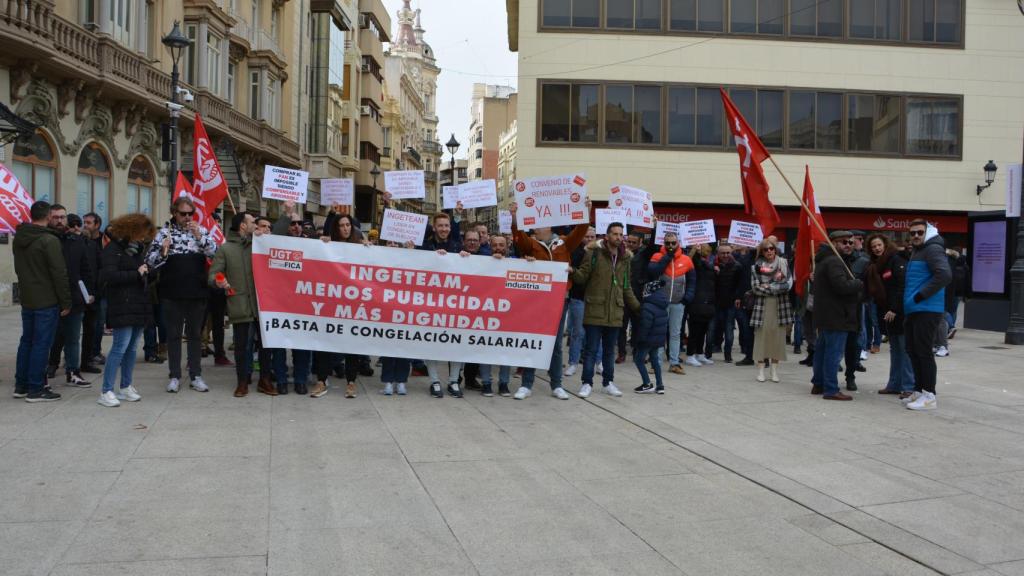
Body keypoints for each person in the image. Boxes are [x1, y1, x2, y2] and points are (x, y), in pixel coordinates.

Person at [509, 201, 590, 400]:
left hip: (559, 299)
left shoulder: (563, 243)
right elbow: (519, 239)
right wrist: (515, 217)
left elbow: (580, 232)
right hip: (536, 300)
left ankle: (556, 385)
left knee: (554, 344)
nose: (537, 225)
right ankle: (526, 384)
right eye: (534, 222)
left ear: (550, 225)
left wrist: (586, 211)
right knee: (533, 339)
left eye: (541, 222)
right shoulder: (531, 243)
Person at [146, 196, 218, 393]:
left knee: (195, 335)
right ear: (174, 213)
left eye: (190, 213)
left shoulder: (200, 231)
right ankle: (174, 375)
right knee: (174, 336)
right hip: (172, 293)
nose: (187, 217)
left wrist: (199, 237)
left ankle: (195, 375)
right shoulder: (164, 233)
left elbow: (215, 254)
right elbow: (150, 262)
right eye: (183, 213)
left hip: (196, 293)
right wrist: (163, 250)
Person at [210, 212, 276, 397]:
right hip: (239, 304)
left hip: (262, 304)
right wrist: (219, 281)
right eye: (253, 222)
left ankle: (265, 380)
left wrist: (287, 215)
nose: (256, 225)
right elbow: (214, 274)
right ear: (242, 226)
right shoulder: (225, 249)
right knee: (241, 347)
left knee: (266, 345)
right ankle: (242, 382)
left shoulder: (259, 244)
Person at [572, 221, 641, 398]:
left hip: (615, 311)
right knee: (591, 349)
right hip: (595, 308)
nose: (618, 237)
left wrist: (637, 307)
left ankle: (608, 382)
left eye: (620, 234)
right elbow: (582, 277)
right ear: (607, 236)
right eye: (615, 234)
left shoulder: (625, 258)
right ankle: (586, 383)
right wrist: (572, 271)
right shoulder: (594, 253)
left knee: (610, 351)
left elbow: (626, 286)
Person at [14, 201, 71, 402]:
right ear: (48, 216)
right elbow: (59, 273)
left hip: (28, 298)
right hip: (46, 299)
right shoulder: (49, 240)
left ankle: (21, 385)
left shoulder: (20, 237)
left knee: (27, 342)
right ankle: (36, 388)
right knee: (41, 344)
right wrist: (65, 302)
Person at [96, 214, 156, 407]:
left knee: (131, 347)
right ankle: (106, 390)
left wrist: (150, 271)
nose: (143, 238)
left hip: (138, 304)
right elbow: (109, 276)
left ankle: (125, 385)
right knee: (119, 347)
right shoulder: (112, 250)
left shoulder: (136, 250)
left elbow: (143, 274)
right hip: (122, 304)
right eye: (141, 234)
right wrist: (136, 274)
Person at [312, 212, 367, 399]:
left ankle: (351, 382)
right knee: (326, 343)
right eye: (342, 225)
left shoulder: (359, 247)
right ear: (336, 227)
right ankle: (321, 380)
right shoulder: (327, 245)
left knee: (352, 344)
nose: (345, 228)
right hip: (331, 302)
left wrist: (369, 249)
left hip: (352, 304)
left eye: (348, 225)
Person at [902, 220, 952, 411]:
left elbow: (945, 275)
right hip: (915, 308)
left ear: (927, 232)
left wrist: (921, 295)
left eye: (919, 232)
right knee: (913, 350)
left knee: (923, 352)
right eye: (912, 233)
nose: (915, 236)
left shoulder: (932, 249)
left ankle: (929, 395)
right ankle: (919, 390)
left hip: (927, 309)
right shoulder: (919, 250)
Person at [810, 231, 863, 401]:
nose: (848, 244)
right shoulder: (834, 261)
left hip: (827, 314)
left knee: (823, 351)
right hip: (837, 315)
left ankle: (818, 383)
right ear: (833, 243)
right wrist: (858, 283)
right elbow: (841, 286)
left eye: (850, 242)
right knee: (833, 353)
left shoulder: (826, 259)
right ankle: (831, 389)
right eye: (843, 242)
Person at [45, 207, 94, 388]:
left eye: (62, 217)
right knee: (49, 337)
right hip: (50, 299)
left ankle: (73, 372)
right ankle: (47, 368)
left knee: (73, 338)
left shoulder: (76, 241)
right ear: (49, 218)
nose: (59, 220)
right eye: (56, 217)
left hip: (74, 299)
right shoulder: (46, 240)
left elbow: (86, 269)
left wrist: (89, 292)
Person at [270, 201, 313, 394]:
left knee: (302, 346)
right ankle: (280, 379)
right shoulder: (275, 241)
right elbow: (276, 233)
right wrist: (287, 213)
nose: (296, 227)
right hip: (279, 302)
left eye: (299, 224)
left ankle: (300, 379)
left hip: (302, 304)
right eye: (292, 223)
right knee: (279, 346)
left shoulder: (310, 245)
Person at [865, 234, 915, 396]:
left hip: (899, 312)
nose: (877, 248)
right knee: (895, 349)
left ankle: (909, 386)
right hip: (887, 312)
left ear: (885, 245)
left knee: (904, 350)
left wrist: (894, 308)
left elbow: (902, 287)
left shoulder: (896, 260)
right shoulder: (876, 264)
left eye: (879, 245)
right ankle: (894, 384)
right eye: (873, 247)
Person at [647, 232, 694, 375]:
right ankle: (656, 363)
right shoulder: (657, 257)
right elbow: (652, 272)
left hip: (678, 303)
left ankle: (674, 363)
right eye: (667, 243)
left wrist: (687, 298)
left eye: (673, 243)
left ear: (678, 243)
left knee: (675, 334)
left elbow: (692, 281)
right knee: (659, 333)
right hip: (661, 303)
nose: (671, 246)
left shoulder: (686, 260)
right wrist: (667, 257)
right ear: (663, 243)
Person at [750, 238, 794, 383]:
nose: (769, 251)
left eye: (771, 248)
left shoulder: (783, 263)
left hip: (780, 306)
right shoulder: (755, 267)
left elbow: (787, 284)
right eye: (765, 249)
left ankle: (774, 371)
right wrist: (775, 288)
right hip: (762, 306)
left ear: (775, 249)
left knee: (777, 339)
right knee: (761, 338)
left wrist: (769, 287)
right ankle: (761, 371)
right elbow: (756, 288)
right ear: (761, 252)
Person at [478, 234, 515, 397]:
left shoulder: (516, 262)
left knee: (505, 350)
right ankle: (486, 383)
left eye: (502, 245)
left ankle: (504, 383)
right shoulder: (482, 262)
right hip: (488, 313)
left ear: (507, 246)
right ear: (490, 246)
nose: (498, 248)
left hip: (508, 313)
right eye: (495, 245)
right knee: (486, 349)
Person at [565, 226, 597, 376]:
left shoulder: (600, 252)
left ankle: (599, 362)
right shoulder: (576, 251)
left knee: (596, 332)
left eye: (592, 237)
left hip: (595, 298)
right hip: (578, 297)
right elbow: (573, 269)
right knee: (577, 332)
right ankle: (573, 363)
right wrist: (585, 250)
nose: (590, 240)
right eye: (587, 237)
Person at [632, 279, 668, 394]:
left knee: (638, 359)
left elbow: (645, 326)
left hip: (647, 339)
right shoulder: (662, 304)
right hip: (658, 339)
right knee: (655, 360)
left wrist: (639, 340)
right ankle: (660, 385)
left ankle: (647, 383)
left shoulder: (647, 306)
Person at [80, 211, 104, 374]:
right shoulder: (81, 241)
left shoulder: (104, 241)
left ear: (97, 225)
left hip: (98, 291)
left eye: (89, 223)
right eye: (84, 222)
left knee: (96, 325)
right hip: (81, 291)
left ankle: (92, 354)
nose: (85, 225)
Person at [684, 244, 716, 367]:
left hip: (707, 300)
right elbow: (689, 260)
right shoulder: (697, 263)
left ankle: (699, 353)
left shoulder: (709, 263)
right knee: (695, 330)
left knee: (703, 329)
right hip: (697, 300)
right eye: (706, 250)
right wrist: (694, 250)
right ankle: (690, 355)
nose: (708, 253)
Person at [712, 244, 743, 363]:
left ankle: (728, 354)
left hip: (730, 303)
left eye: (728, 253)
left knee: (729, 330)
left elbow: (739, 284)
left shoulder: (737, 266)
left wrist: (738, 297)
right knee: (714, 329)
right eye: (722, 253)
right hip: (716, 302)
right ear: (718, 254)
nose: (725, 255)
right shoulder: (713, 266)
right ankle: (710, 351)